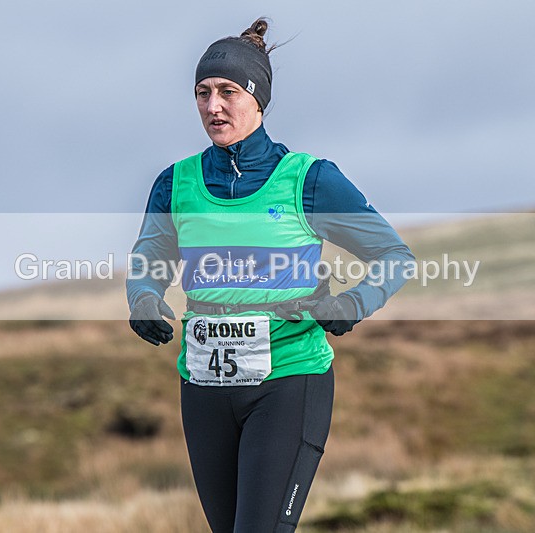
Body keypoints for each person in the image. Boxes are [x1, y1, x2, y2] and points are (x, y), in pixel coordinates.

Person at [127, 18, 414, 532]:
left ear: (258, 99)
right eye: (202, 92)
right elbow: (150, 261)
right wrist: (143, 297)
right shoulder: (175, 184)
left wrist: (353, 303)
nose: (213, 106)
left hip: (288, 380)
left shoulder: (308, 179)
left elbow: (394, 256)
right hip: (204, 385)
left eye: (228, 92)